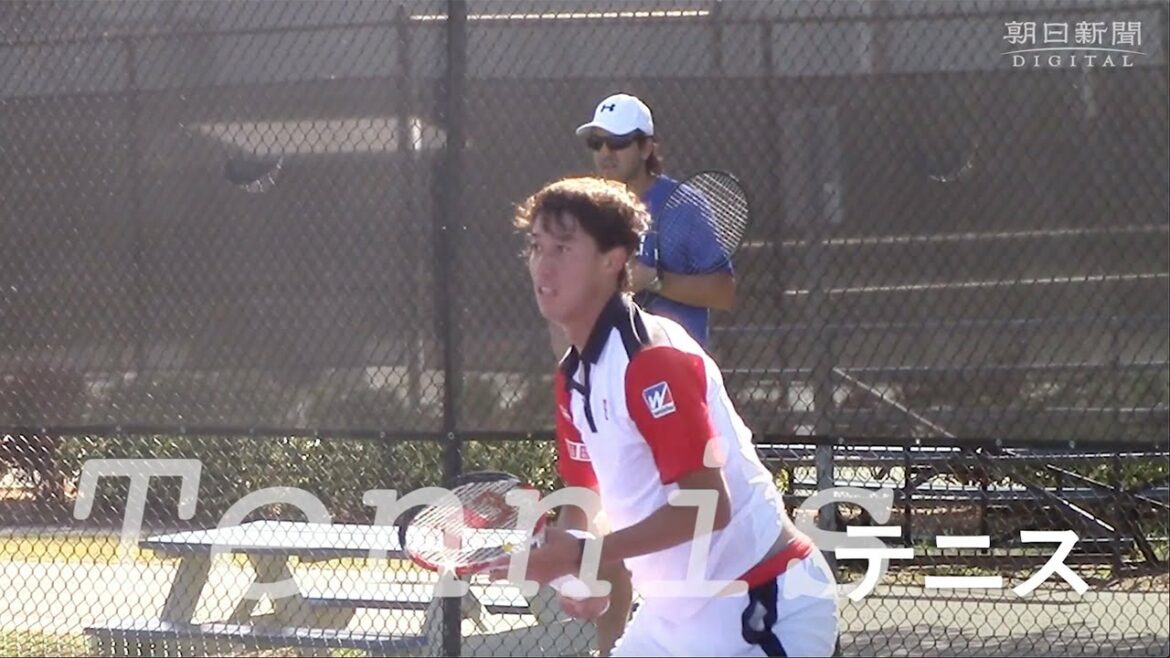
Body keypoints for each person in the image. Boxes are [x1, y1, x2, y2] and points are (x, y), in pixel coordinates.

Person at [500, 176, 839, 657]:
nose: (543, 264)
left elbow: (706, 505)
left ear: (612, 260)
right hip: (669, 621)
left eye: (563, 248)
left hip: (763, 606)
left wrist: (582, 553)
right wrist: (579, 570)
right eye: (536, 246)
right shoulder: (573, 377)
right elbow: (584, 497)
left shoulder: (652, 361)